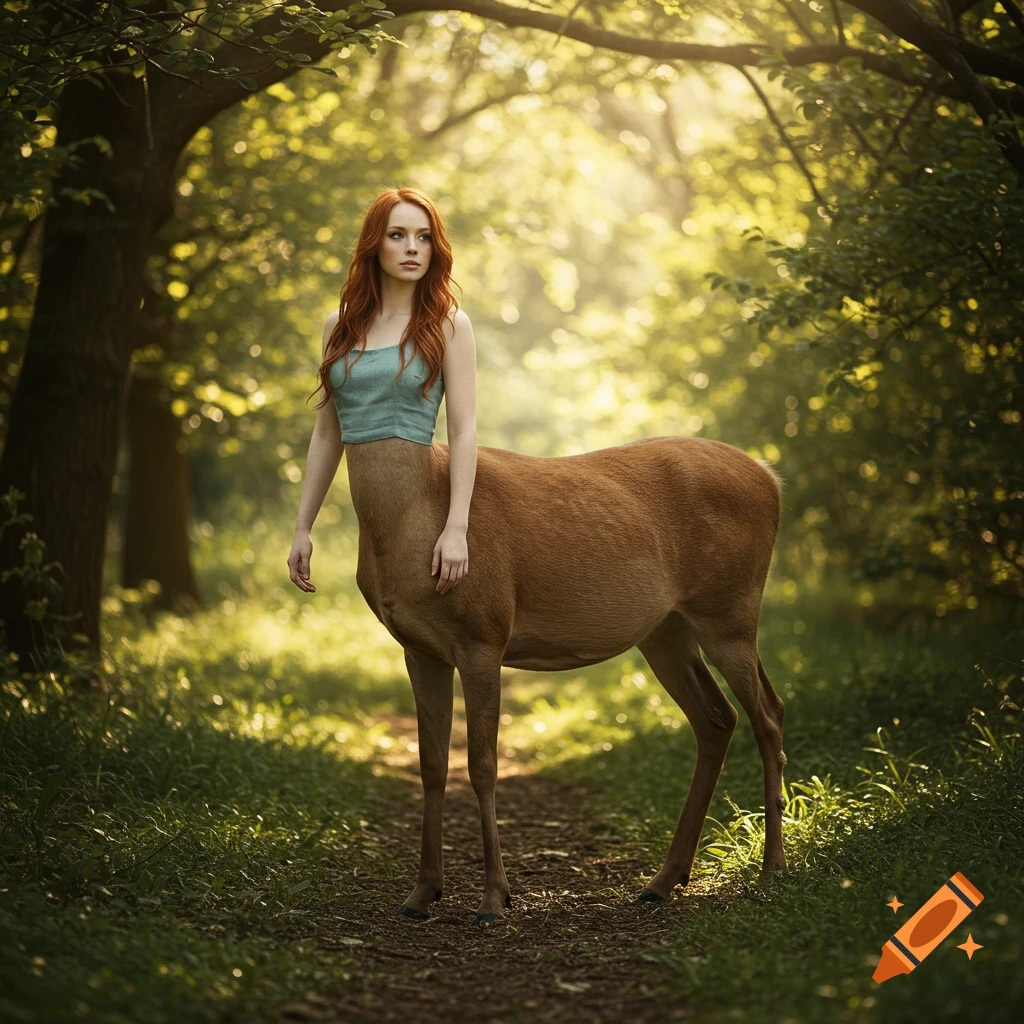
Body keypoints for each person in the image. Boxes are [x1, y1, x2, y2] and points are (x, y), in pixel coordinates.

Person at [286, 186, 478, 597]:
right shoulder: (338, 326)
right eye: (397, 235)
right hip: (372, 524)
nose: (412, 248)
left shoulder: (449, 324)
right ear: (374, 243)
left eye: (424, 237)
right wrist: (303, 527)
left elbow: (463, 430)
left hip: (424, 508)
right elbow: (327, 433)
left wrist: (456, 528)